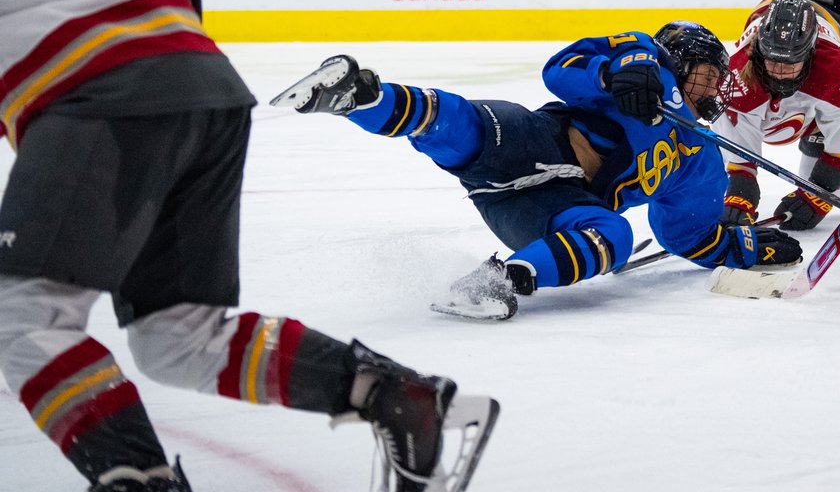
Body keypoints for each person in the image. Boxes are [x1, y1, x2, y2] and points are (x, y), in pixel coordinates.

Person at [0, 0, 499, 492]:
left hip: (91, 94)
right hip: (199, 78)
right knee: (179, 337)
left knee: (25, 319)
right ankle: (392, 395)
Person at [272, 24, 799, 320]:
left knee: (613, 236)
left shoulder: (702, 156)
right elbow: (559, 71)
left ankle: (496, 281)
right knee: (465, 122)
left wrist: (741, 247)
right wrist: (618, 71)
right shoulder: (644, 64)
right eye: (707, 75)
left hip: (549, 210)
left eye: (718, 81)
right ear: (677, 62)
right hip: (535, 142)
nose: (715, 90)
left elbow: (686, 233)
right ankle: (360, 97)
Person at [716, 0, 840, 232]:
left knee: (839, 185)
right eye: (773, 62)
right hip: (790, 54)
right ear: (759, 52)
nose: (780, 72)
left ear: (810, 55)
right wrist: (741, 192)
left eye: (790, 63)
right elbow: (741, 161)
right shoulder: (737, 76)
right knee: (764, 130)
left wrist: (820, 194)